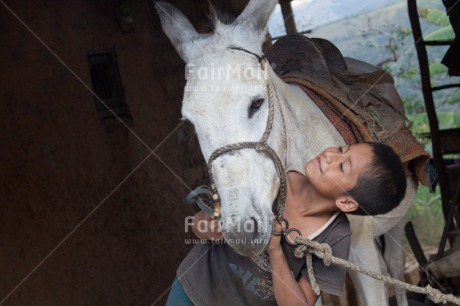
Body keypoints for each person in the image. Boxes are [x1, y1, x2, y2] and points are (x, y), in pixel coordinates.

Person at [166, 142, 407, 306]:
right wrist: (213, 226)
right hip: (193, 289)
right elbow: (198, 224)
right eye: (342, 148)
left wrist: (275, 251)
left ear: (345, 202)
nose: (331, 155)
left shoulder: (334, 238)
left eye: (343, 166)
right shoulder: (272, 174)